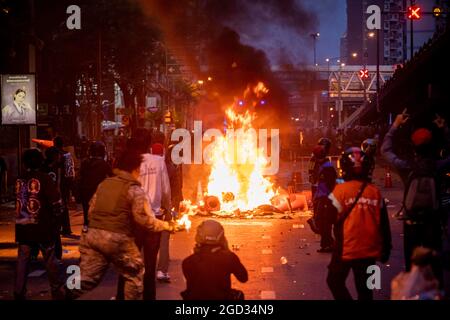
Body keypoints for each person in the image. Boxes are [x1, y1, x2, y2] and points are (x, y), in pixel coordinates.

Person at [65, 151, 176, 300]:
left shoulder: (106, 184)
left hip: (94, 236)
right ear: (133, 169)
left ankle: (67, 292)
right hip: (116, 237)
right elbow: (144, 220)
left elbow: (92, 209)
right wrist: (168, 226)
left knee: (89, 278)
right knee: (134, 271)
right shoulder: (133, 189)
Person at [381, 113, 450, 273]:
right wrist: (445, 129)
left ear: (413, 146)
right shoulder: (437, 166)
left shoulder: (407, 166)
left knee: (411, 264)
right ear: (432, 145)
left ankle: (412, 292)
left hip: (411, 221)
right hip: (432, 221)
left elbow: (385, 150)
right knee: (434, 264)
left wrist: (395, 126)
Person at [327, 147, 391, 300]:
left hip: (345, 249)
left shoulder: (339, 191)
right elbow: (384, 224)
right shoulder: (375, 192)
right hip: (370, 250)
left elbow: (331, 218)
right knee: (367, 290)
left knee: (334, 281)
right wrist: (386, 249)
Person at [116, 129, 172, 300]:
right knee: (150, 262)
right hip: (153, 218)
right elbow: (165, 190)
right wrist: (168, 209)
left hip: (133, 218)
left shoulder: (128, 163)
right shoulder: (158, 162)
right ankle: (149, 297)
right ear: (148, 144)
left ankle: (121, 295)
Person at [14, 149, 64, 300]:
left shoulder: (19, 180)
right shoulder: (45, 179)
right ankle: (56, 291)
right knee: (50, 259)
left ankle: (18, 291)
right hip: (43, 225)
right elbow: (56, 202)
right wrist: (57, 220)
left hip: (23, 225)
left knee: (23, 259)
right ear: (40, 161)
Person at [181, 219, 248, 300]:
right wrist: (227, 251)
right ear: (221, 237)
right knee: (239, 295)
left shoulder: (188, 262)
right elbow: (243, 278)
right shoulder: (229, 257)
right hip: (222, 298)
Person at [78, 141, 113, 232]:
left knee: (86, 210)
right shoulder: (104, 164)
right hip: (98, 192)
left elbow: (80, 176)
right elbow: (112, 176)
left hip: (85, 191)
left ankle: (86, 225)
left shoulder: (84, 162)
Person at [312, 144, 337, 253]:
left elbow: (331, 184)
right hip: (321, 197)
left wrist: (329, 199)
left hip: (326, 198)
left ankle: (328, 243)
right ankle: (326, 243)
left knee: (323, 222)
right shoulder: (322, 165)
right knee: (320, 221)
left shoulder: (328, 167)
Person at [53, 136, 75, 237]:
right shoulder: (67, 155)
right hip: (63, 184)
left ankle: (56, 227)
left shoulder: (51, 154)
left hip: (53, 184)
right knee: (64, 206)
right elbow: (70, 173)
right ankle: (66, 228)